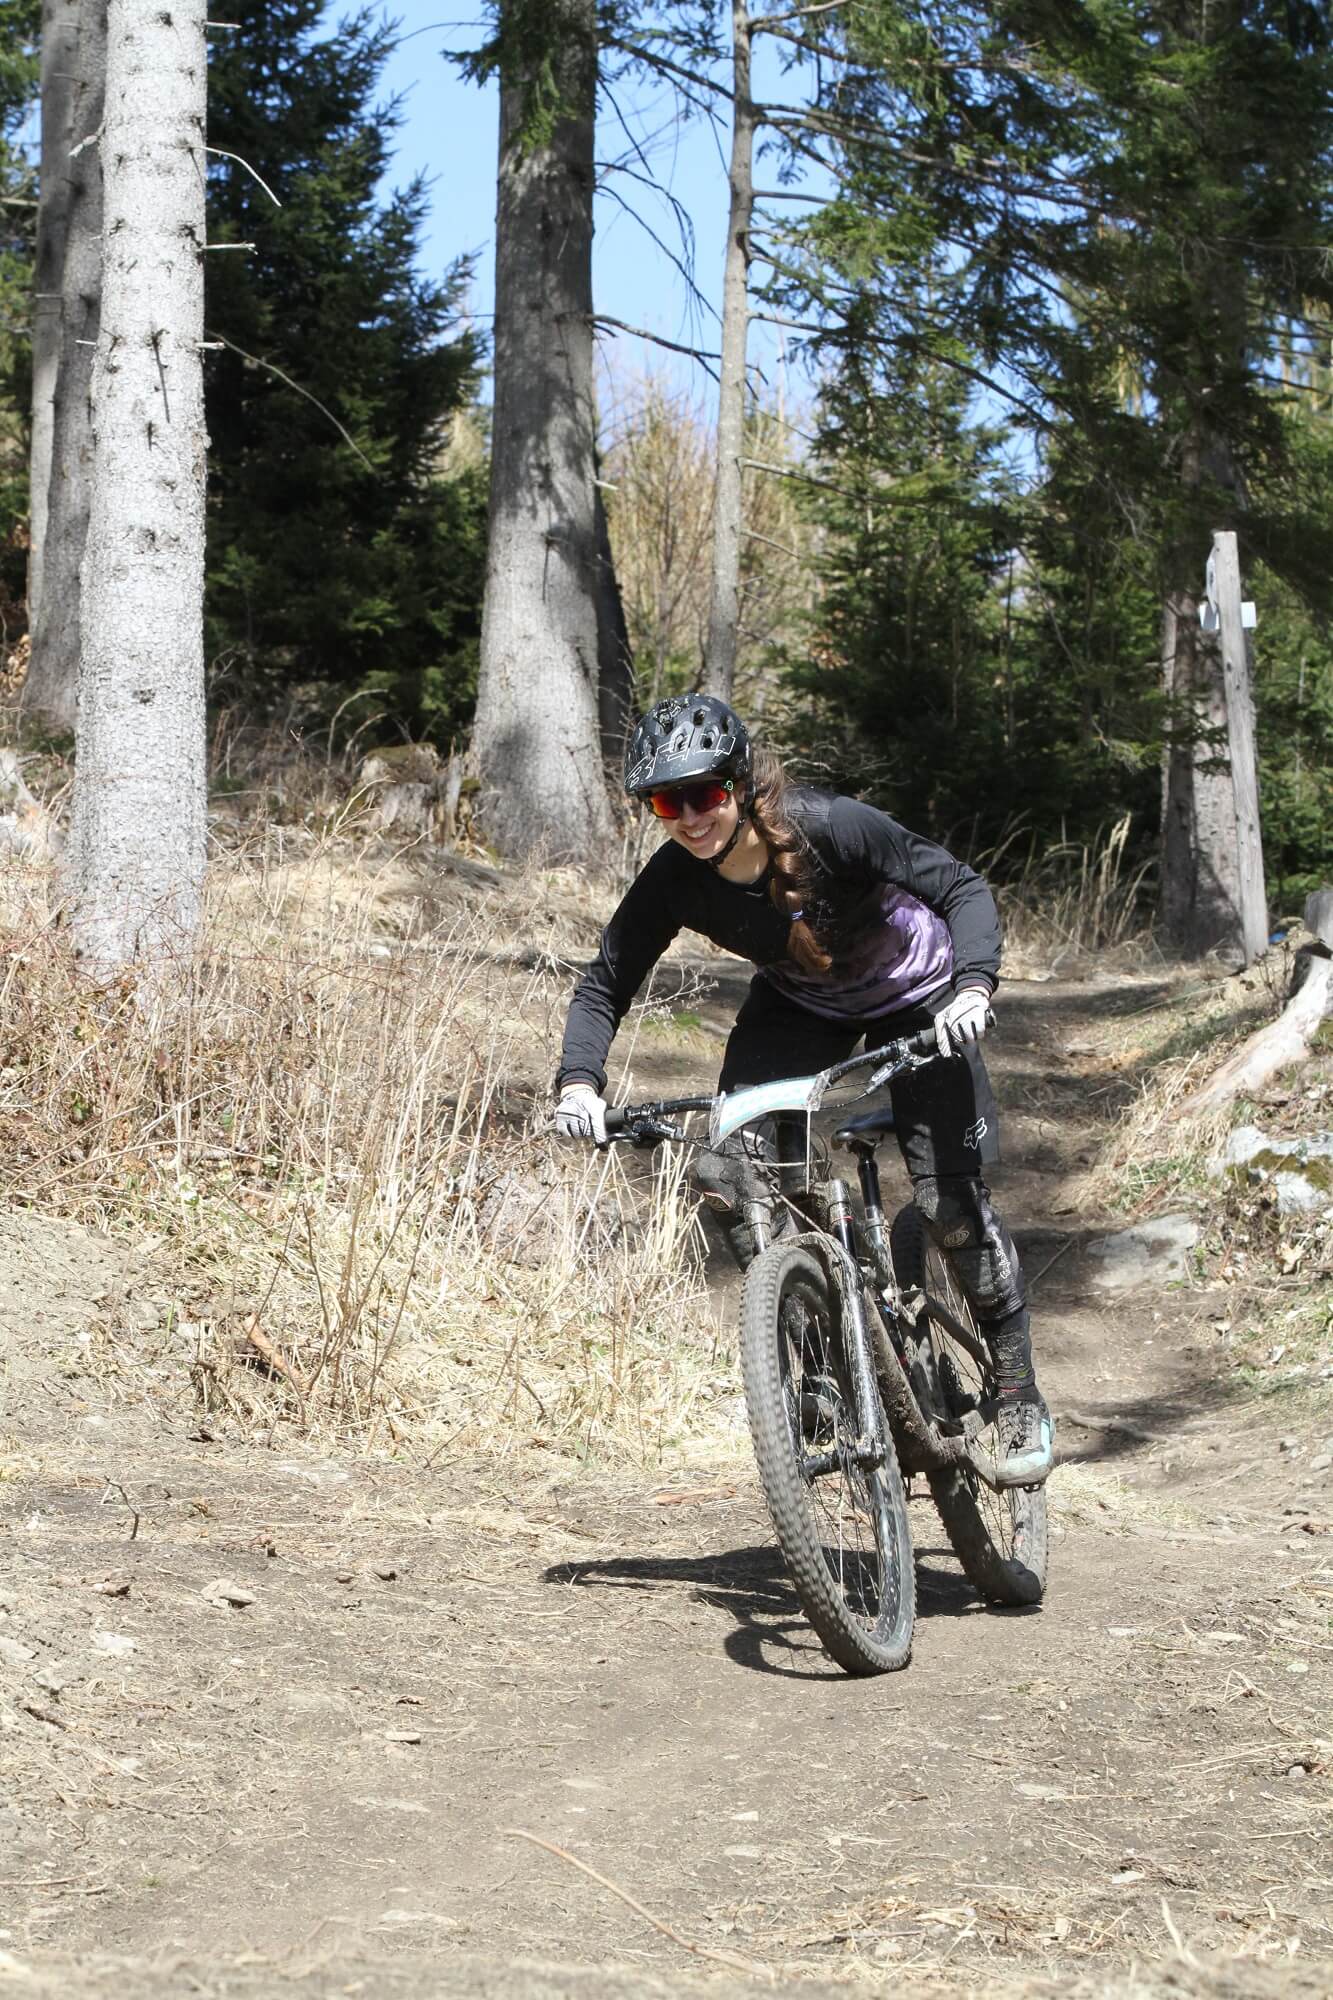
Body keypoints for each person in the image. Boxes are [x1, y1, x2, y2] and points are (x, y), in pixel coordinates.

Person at [553, 692, 1053, 1488]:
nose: (687, 817)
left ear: (740, 783)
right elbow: (605, 981)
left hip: (919, 1001)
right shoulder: (675, 879)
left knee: (949, 1211)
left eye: (703, 793)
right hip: (801, 1008)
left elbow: (960, 888)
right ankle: (825, 1368)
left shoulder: (832, 825)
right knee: (728, 1177)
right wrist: (579, 1085)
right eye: (663, 801)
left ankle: (1019, 1392)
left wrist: (972, 989)